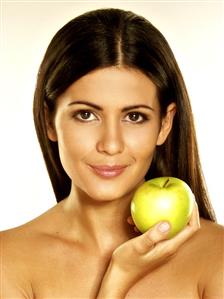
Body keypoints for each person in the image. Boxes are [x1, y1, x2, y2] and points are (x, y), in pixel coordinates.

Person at [1, 8, 223, 299]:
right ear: (49, 122)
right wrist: (117, 279)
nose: (111, 144)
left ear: (165, 124)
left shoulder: (217, 257)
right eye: (86, 115)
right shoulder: (8, 262)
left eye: (134, 117)